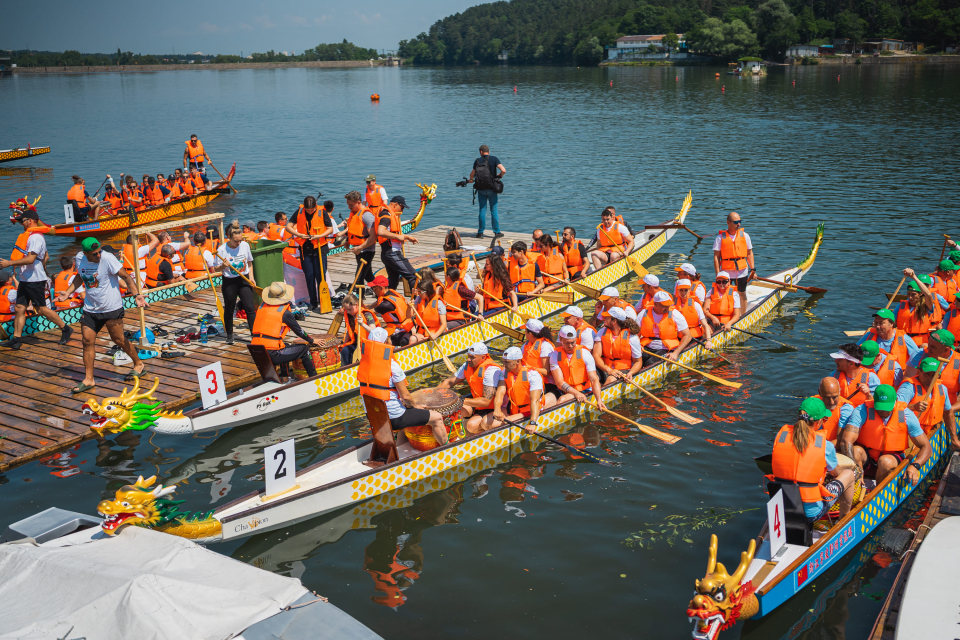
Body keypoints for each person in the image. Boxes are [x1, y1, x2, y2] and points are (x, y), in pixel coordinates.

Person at [55, 238, 146, 391]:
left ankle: (139, 364)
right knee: (87, 341)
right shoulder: (79, 258)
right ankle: (89, 379)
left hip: (111, 307)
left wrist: (137, 295)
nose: (98, 256)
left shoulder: (108, 258)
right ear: (85, 254)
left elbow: (126, 277)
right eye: (94, 254)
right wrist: (68, 293)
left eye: (99, 252)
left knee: (118, 339)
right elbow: (79, 276)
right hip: (91, 309)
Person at [768, 397, 856, 522]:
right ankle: (843, 520)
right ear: (819, 421)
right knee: (848, 474)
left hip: (782, 506)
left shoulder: (781, 435)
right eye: (824, 419)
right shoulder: (825, 445)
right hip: (811, 513)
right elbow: (835, 473)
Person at [359, 327, 449, 445]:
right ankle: (446, 448)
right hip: (394, 418)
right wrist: (415, 406)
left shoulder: (363, 364)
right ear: (387, 343)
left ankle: (399, 448)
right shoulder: (392, 366)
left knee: (406, 410)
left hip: (373, 416)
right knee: (437, 417)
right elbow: (406, 396)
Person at [0, 209, 72, 348]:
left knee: (41, 309)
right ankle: (16, 339)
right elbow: (45, 256)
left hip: (35, 279)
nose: (21, 223)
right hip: (25, 279)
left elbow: (31, 259)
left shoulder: (36, 237)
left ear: (30, 221)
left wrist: (9, 263)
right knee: (20, 308)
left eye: (23, 220)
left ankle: (65, 328)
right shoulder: (29, 236)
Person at [841, 385, 932, 485]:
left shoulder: (906, 415)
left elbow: (926, 446)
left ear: (896, 400)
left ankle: (878, 491)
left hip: (891, 458)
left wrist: (915, 466)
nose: (883, 411)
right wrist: (854, 468)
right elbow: (846, 440)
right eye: (880, 407)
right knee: (855, 450)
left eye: (887, 408)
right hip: (867, 458)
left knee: (884, 462)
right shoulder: (862, 410)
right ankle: (857, 484)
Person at [470, 346, 558, 433]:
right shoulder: (504, 372)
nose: (504, 365)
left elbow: (534, 401)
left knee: (498, 424)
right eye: (503, 362)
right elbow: (500, 393)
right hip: (513, 408)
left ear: (518, 361)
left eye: (507, 362)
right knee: (485, 422)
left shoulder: (532, 375)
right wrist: (497, 410)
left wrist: (532, 423)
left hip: (530, 410)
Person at [251, 281, 318, 380]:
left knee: (284, 346)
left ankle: (285, 378)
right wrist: (312, 340)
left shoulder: (262, 306)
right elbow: (299, 331)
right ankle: (314, 378)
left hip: (256, 351)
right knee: (304, 349)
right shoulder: (285, 313)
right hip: (272, 353)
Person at [438, 343, 503, 433]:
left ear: (483, 357)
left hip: (494, 406)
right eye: (468, 356)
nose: (468, 359)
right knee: (452, 411)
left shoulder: (491, 370)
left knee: (471, 426)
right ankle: (448, 433)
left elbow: (486, 402)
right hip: (477, 402)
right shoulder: (467, 365)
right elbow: (449, 382)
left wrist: (458, 400)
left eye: (472, 357)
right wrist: (433, 394)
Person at [287, 196, 333, 311]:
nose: (310, 212)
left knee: (320, 276)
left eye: (312, 209)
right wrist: (299, 235)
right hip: (305, 248)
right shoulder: (300, 211)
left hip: (320, 247)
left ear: (315, 206)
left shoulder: (322, 212)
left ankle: (323, 301)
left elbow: (330, 228)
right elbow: (288, 226)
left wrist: (320, 236)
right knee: (309, 276)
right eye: (308, 210)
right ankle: (313, 302)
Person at [215, 225, 257, 344]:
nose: (239, 243)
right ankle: (229, 334)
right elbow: (215, 269)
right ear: (229, 237)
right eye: (236, 241)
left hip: (244, 280)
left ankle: (254, 335)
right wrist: (222, 266)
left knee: (249, 308)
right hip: (230, 281)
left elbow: (249, 263)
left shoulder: (245, 245)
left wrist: (252, 278)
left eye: (240, 240)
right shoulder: (222, 250)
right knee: (229, 308)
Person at [898, 357, 956, 438]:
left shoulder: (942, 388)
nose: (930, 378)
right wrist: (912, 407)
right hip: (912, 433)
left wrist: (954, 438)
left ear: (939, 375)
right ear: (919, 371)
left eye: (933, 375)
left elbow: (948, 413)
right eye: (926, 374)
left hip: (933, 432)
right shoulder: (908, 387)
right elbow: (895, 411)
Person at [550, 324, 606, 407]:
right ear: (560, 339)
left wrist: (599, 400)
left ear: (576, 339)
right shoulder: (555, 355)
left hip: (585, 389)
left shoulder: (585, 353)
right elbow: (559, 382)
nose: (570, 346)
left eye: (573, 342)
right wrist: (576, 393)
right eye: (567, 343)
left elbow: (594, 379)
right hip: (567, 390)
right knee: (548, 400)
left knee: (562, 400)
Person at [713, 211, 755, 310]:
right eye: (735, 222)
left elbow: (749, 253)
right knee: (726, 294)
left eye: (739, 221)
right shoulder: (720, 238)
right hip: (726, 272)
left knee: (742, 293)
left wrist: (752, 269)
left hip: (741, 271)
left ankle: (742, 316)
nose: (738, 224)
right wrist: (718, 274)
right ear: (728, 222)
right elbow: (716, 257)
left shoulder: (745, 236)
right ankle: (728, 314)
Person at [903, 329, 960, 404]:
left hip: (947, 407)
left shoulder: (958, 361)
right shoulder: (919, 354)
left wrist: (949, 411)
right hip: (919, 405)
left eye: (933, 347)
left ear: (946, 349)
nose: (928, 348)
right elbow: (907, 380)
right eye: (929, 344)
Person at [378, 195, 419, 292]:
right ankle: (418, 302)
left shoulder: (391, 214)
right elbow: (381, 231)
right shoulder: (386, 215)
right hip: (391, 253)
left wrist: (407, 237)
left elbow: (392, 233)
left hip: (389, 253)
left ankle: (388, 302)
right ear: (395, 204)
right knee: (413, 276)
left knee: (393, 280)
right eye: (402, 207)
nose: (402, 210)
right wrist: (398, 237)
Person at [638, 291, 692, 363]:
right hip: (646, 347)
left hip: (666, 349)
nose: (667, 307)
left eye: (668, 305)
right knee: (634, 359)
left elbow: (688, 336)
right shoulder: (644, 313)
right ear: (655, 304)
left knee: (650, 363)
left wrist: (676, 353)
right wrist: (637, 345)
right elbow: (635, 333)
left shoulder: (675, 314)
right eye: (664, 305)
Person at [893, 268, 940, 349]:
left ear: (921, 293)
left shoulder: (926, 306)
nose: (910, 297)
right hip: (903, 340)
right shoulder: (900, 306)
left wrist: (914, 276)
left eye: (913, 294)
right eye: (908, 294)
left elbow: (928, 294)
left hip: (920, 342)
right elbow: (891, 322)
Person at [594, 306, 643, 378]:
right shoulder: (602, 332)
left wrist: (631, 373)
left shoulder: (632, 337)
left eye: (607, 317)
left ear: (614, 321)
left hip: (624, 370)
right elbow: (596, 355)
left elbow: (638, 362)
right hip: (605, 368)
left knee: (611, 378)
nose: (604, 318)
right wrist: (609, 370)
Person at [469, 144, 506, 239]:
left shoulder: (477, 161)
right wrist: (500, 175)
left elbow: (472, 174)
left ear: (481, 152)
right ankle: (497, 232)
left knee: (482, 210)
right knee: (494, 210)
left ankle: (480, 233)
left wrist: (471, 179)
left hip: (481, 189)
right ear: (488, 152)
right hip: (492, 189)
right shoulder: (494, 159)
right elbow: (503, 170)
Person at [342, 191, 376, 291]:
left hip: (367, 251)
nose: (349, 207)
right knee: (368, 276)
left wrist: (360, 248)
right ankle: (380, 291)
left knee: (359, 277)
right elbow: (355, 230)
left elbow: (373, 237)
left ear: (358, 202)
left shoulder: (367, 216)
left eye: (351, 205)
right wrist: (348, 240)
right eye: (348, 205)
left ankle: (358, 299)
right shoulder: (354, 213)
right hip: (358, 251)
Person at [370, 275, 414, 346]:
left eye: (374, 288)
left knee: (376, 338)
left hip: (397, 332)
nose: (373, 291)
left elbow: (370, 312)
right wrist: (365, 306)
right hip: (407, 327)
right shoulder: (392, 294)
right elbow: (373, 305)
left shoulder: (386, 304)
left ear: (381, 288)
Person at [339, 294, 379, 365]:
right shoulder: (349, 315)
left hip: (367, 345)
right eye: (346, 309)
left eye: (349, 309)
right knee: (345, 350)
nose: (347, 312)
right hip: (356, 344)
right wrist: (344, 343)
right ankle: (348, 370)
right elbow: (349, 330)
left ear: (356, 305)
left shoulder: (366, 314)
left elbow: (374, 331)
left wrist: (362, 324)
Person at [814, 377, 855, 443]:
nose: (832, 402)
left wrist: (820, 448)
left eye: (835, 397)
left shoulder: (847, 409)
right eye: (827, 397)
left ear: (840, 391)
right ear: (820, 393)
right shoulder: (812, 404)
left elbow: (841, 441)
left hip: (833, 448)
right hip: (817, 443)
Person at [674, 280, 712, 349]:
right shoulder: (674, 305)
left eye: (686, 290)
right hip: (679, 336)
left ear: (689, 291)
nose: (683, 293)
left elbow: (705, 325)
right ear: (678, 291)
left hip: (694, 337)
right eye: (681, 290)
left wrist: (708, 340)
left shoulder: (696, 305)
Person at [520, 318, 555, 393]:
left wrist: (528, 368)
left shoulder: (545, 346)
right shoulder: (526, 344)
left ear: (530, 334)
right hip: (531, 379)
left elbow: (546, 372)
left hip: (546, 384)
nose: (524, 332)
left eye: (525, 331)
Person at [410, 279, 448, 345]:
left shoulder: (439, 303)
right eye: (418, 292)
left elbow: (444, 324)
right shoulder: (419, 299)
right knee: (412, 339)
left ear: (427, 291)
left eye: (420, 292)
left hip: (435, 333)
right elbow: (409, 315)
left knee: (422, 341)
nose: (418, 294)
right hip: (421, 332)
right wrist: (409, 307)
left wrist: (435, 335)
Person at [509, 241, 545, 306]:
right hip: (515, 294)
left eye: (514, 252)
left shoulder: (534, 265)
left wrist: (532, 292)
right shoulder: (511, 264)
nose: (512, 254)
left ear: (521, 252)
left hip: (527, 295)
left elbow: (541, 284)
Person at [480, 247, 513, 315]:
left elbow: (512, 293)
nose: (485, 265)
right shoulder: (488, 275)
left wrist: (515, 306)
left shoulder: (502, 275)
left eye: (487, 264)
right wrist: (479, 290)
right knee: (474, 316)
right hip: (489, 306)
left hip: (500, 306)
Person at [441, 265, 473, 329]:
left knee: (442, 327)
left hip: (461, 320)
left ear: (448, 277)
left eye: (445, 275)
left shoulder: (460, 288)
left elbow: (480, 297)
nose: (444, 276)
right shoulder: (448, 287)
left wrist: (480, 314)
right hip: (449, 318)